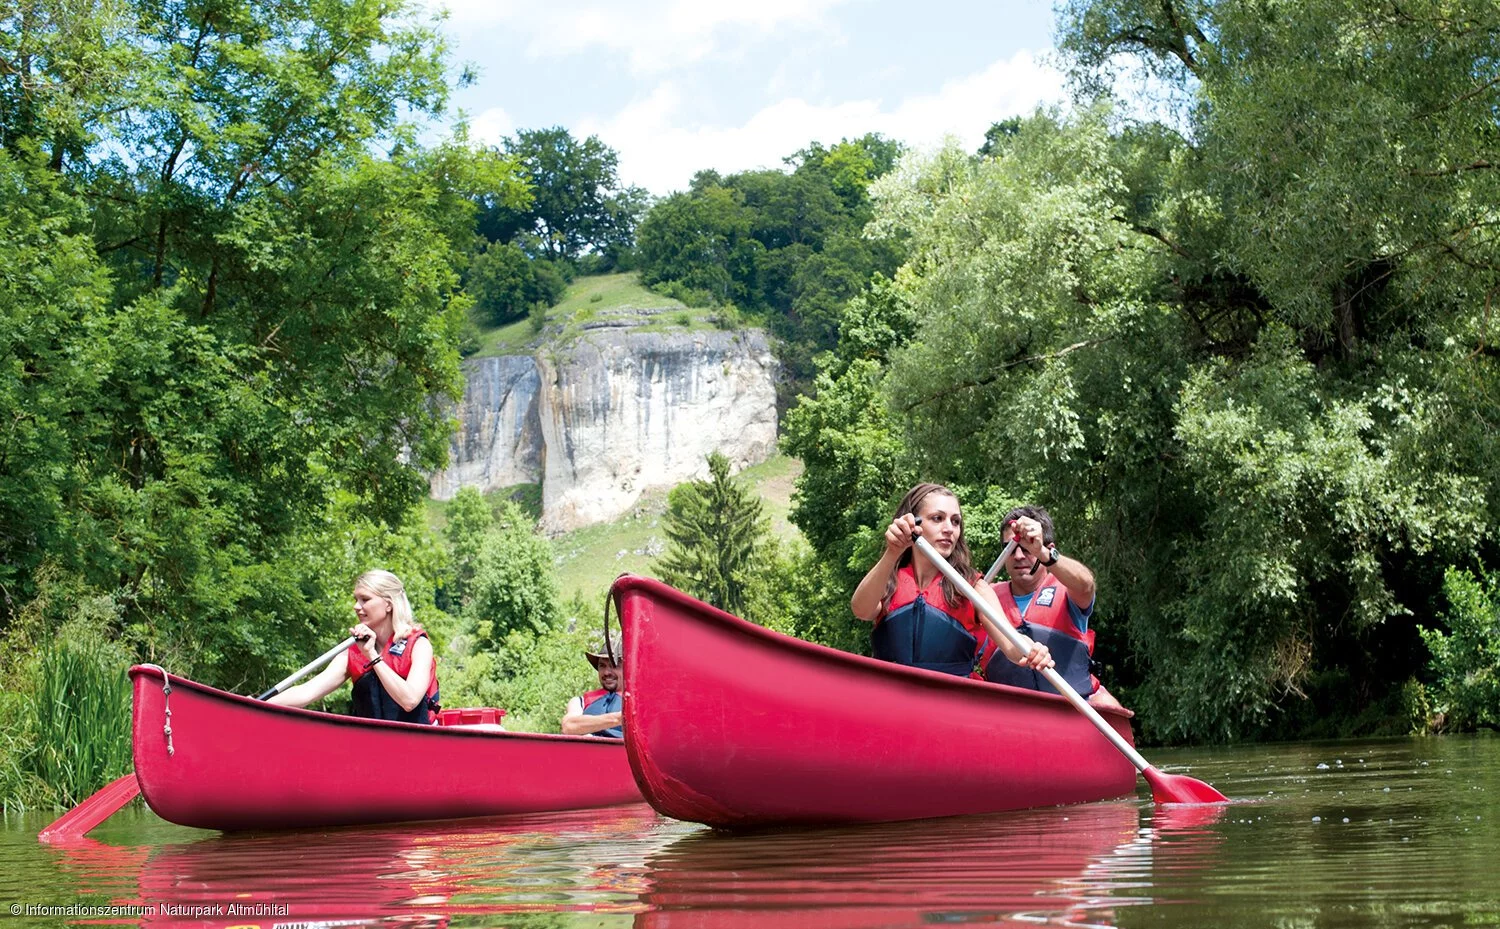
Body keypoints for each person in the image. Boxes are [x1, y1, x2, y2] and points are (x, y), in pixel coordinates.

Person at [851, 483, 1055, 678]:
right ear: (914, 524)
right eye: (937, 518)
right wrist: (893, 552)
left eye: (955, 521)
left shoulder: (973, 586)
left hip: (948, 701)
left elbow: (1012, 645)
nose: (949, 528)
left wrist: (1032, 649)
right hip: (890, 697)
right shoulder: (888, 578)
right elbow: (861, 610)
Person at [982, 506, 1123, 709]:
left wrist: (1042, 552)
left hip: (1071, 709)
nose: (1019, 555)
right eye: (1011, 548)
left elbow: (1086, 585)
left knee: (1107, 704)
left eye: (1027, 546)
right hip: (1007, 715)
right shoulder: (984, 595)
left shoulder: (1069, 589)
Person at [269, 569, 440, 723]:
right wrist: (255, 704)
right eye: (356, 599)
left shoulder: (419, 645)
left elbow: (409, 700)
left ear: (388, 604)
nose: (356, 606)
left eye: (365, 599)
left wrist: (372, 655)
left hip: (415, 744)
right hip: (370, 745)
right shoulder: (351, 652)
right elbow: (306, 692)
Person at [561, 635, 624, 738]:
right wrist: (619, 719)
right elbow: (568, 726)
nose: (607, 672)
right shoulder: (579, 702)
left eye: (614, 665)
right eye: (602, 666)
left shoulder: (639, 703)